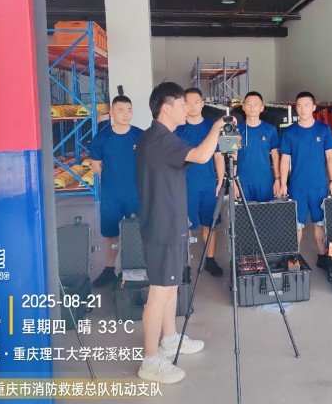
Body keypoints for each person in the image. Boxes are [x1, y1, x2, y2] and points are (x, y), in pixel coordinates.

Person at [135, 82, 232, 384]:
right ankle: (150, 361)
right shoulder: (159, 138)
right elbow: (202, 156)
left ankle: (169, 338)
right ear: (166, 108)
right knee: (160, 291)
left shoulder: (163, 137)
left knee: (172, 285)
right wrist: (216, 127)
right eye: (181, 105)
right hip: (162, 225)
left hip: (172, 221)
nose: (187, 110)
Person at [89, 95, 143, 288]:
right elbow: (96, 166)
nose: (126, 114)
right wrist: (114, 177)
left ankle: (137, 268)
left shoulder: (140, 136)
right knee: (111, 234)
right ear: (111, 113)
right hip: (112, 195)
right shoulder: (101, 138)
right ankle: (109, 269)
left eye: (129, 110)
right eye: (121, 110)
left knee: (137, 230)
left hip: (136, 193)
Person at [279, 92, 332, 270]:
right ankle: (293, 257)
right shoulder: (289, 132)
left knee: (320, 223)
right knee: (296, 225)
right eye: (299, 106)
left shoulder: (323, 130)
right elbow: (284, 159)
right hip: (297, 186)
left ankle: (322, 256)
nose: (302, 109)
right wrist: (283, 183)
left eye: (306, 105)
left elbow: (330, 157)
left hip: (319, 186)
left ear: (313, 107)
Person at [174, 88, 225, 277]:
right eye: (188, 102)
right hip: (184, 185)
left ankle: (210, 260)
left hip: (208, 184)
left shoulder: (213, 127)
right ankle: (184, 263)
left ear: (203, 103)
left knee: (209, 224)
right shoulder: (178, 128)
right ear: (183, 105)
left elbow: (219, 156)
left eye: (196, 102)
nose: (192, 106)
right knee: (184, 225)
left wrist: (221, 181)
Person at [236, 91, 281, 202]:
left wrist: (277, 179)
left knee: (265, 212)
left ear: (262, 108)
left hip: (265, 182)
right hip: (242, 182)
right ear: (243, 107)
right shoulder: (236, 130)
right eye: (249, 104)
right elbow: (233, 156)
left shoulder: (270, 129)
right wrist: (234, 184)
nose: (252, 107)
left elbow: (275, 156)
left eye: (256, 104)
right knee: (243, 212)